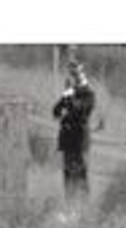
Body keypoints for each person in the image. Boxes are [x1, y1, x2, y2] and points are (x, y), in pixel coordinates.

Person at [53, 59, 96, 200]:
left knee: (81, 176)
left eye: (77, 73)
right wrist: (65, 97)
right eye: (72, 73)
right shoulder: (71, 92)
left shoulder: (89, 92)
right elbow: (56, 112)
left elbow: (81, 111)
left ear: (83, 73)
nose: (74, 76)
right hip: (67, 140)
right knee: (68, 177)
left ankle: (85, 211)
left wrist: (69, 96)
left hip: (80, 140)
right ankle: (70, 210)